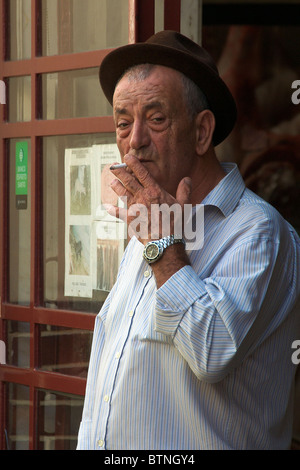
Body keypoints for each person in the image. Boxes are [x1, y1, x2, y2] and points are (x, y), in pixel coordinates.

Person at [77, 31, 300, 450]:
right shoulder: (147, 227)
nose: (135, 140)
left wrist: (164, 251)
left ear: (202, 133)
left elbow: (211, 351)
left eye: (156, 119)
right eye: (123, 123)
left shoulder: (258, 232)